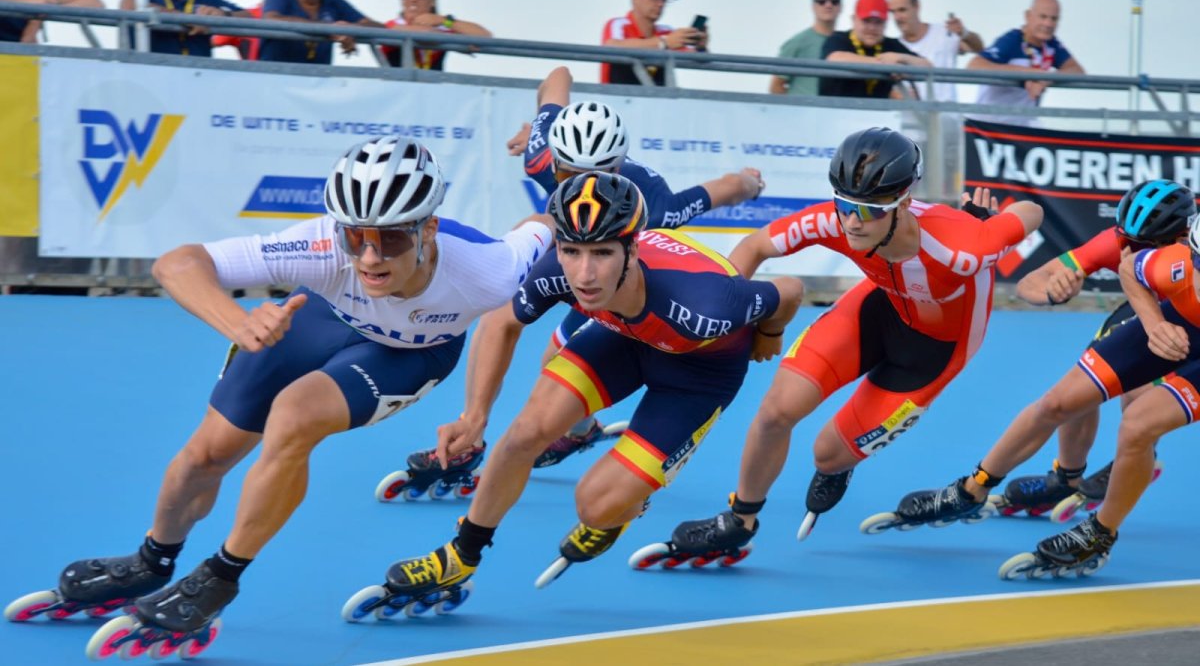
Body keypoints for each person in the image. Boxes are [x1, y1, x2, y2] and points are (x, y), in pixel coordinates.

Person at [3, 137, 553, 657]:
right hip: (316, 320)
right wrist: (238, 322)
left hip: (411, 352)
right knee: (205, 455)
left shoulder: (490, 269)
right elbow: (176, 263)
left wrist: (476, 413)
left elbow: (544, 228)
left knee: (294, 415)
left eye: (390, 238)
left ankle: (220, 577)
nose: (368, 257)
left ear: (428, 228)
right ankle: (152, 560)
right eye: (354, 236)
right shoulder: (317, 248)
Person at [358, 172, 804, 604]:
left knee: (594, 507)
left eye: (603, 254)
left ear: (632, 247)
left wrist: (769, 334)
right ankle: (461, 555)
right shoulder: (560, 268)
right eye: (572, 251)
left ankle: (623, 507)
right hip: (625, 340)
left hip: (698, 375)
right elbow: (500, 322)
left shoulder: (706, 306)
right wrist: (473, 417)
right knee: (522, 436)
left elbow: (789, 289)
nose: (585, 274)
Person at [637, 127, 1042, 563]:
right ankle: (740, 521)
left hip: (934, 350)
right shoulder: (834, 219)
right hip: (876, 310)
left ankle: (839, 466)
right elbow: (755, 247)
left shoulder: (963, 247)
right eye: (845, 204)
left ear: (903, 203)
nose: (852, 222)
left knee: (827, 456)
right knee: (776, 412)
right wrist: (726, 320)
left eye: (868, 211)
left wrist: (992, 226)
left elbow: (1031, 211)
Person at [494, 65, 765, 468]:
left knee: (557, 355)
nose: (582, 190)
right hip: (584, 266)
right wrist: (536, 123)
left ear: (617, 170)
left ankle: (588, 429)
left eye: (598, 177)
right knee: (552, 359)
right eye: (567, 175)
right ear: (555, 161)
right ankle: (581, 431)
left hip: (628, 281)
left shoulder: (652, 207)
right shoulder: (541, 156)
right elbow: (558, 76)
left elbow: (717, 192)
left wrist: (748, 182)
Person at [998, 214, 1200, 579]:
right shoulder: (1173, 263)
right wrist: (1154, 325)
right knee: (1135, 422)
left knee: (1142, 418)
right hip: (1185, 325)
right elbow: (1131, 270)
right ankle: (1099, 533)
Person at [967, 0, 1085, 127]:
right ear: (1028, 16)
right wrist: (1028, 74)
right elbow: (974, 65)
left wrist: (1047, 78)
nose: (1048, 24)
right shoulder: (1012, 39)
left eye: (1054, 19)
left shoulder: (1052, 44)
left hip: (1021, 132)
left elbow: (1077, 71)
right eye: (1043, 17)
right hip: (987, 128)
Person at [819, 0, 930, 99]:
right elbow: (835, 58)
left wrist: (901, 58)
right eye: (866, 21)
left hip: (878, 117)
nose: (872, 28)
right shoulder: (838, 38)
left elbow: (927, 67)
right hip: (836, 115)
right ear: (853, 20)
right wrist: (885, 65)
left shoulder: (891, 46)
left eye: (878, 22)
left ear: (886, 24)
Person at [887, 0, 982, 103]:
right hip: (911, 118)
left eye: (902, 10)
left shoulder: (944, 33)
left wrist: (964, 33)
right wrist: (894, 94)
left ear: (917, 6)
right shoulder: (892, 47)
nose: (897, 17)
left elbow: (978, 48)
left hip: (947, 116)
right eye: (893, 12)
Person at [600, 0, 705, 86]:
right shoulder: (618, 24)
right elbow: (612, 46)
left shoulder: (667, 32)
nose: (661, 4)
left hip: (656, 102)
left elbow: (695, 58)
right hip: (616, 100)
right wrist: (663, 43)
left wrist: (701, 47)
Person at [257, 0, 383, 65]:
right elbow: (271, 19)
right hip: (275, 79)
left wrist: (349, 29)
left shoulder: (333, 2)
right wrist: (328, 29)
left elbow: (378, 27)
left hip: (317, 86)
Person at [120, 0, 251, 58]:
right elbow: (129, 6)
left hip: (199, 77)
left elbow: (248, 18)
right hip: (153, 75)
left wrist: (222, 14)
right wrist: (184, 18)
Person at [769, 0, 843, 97]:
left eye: (834, 1)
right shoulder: (797, 43)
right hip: (803, 111)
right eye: (821, 1)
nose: (828, 5)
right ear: (813, 6)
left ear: (841, 7)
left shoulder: (846, 42)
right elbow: (776, 86)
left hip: (835, 110)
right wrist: (796, 108)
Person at [0, 0, 101, 44]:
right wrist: (26, 2)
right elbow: (33, 1)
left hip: (18, 57)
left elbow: (94, 3)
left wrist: (46, 10)